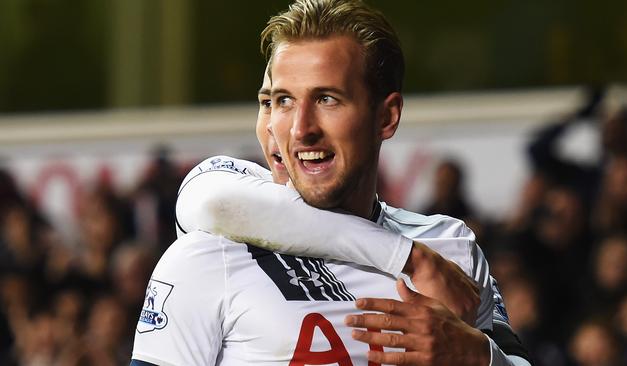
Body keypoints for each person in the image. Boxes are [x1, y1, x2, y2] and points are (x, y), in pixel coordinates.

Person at [131, 1, 530, 364]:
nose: (300, 129)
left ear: (386, 117)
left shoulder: (450, 247)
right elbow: (207, 195)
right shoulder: (205, 259)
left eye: (327, 99)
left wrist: (478, 357)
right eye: (281, 100)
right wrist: (407, 257)